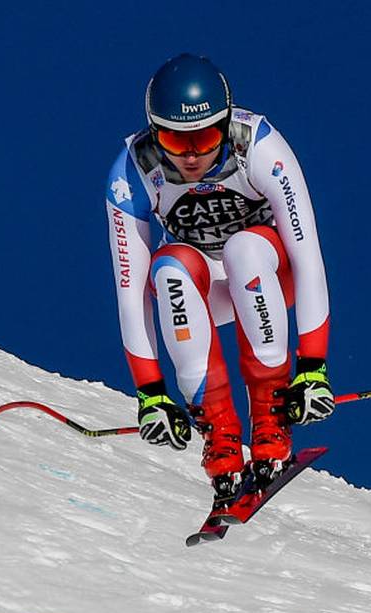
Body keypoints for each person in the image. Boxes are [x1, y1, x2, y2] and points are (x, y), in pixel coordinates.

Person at [104, 53, 336, 507]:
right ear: (155, 132)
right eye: (174, 139)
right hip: (204, 290)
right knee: (167, 268)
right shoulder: (133, 171)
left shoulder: (259, 146)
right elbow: (130, 294)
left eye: (206, 137)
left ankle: (271, 417)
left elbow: (308, 258)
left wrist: (313, 367)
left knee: (243, 249)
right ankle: (221, 438)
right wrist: (151, 395)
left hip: (268, 276)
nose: (191, 154)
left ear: (226, 125)